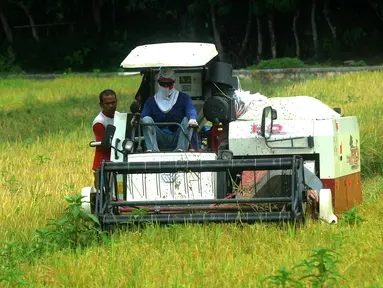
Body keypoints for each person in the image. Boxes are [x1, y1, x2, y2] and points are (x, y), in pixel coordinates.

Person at [140, 68, 198, 152]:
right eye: (163, 83)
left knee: (186, 120)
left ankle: (181, 149)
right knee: (146, 120)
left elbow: (190, 109)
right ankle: (153, 150)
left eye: (169, 84)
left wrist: (192, 118)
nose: (166, 87)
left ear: (174, 82)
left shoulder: (184, 98)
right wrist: (140, 119)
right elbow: (144, 117)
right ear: (158, 83)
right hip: (159, 137)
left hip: (178, 136)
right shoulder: (151, 102)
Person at [92, 89, 117, 185]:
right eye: (107, 103)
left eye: (113, 102)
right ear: (101, 105)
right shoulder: (99, 122)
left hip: (116, 160)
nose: (111, 106)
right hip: (103, 164)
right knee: (103, 195)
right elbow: (103, 146)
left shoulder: (119, 117)